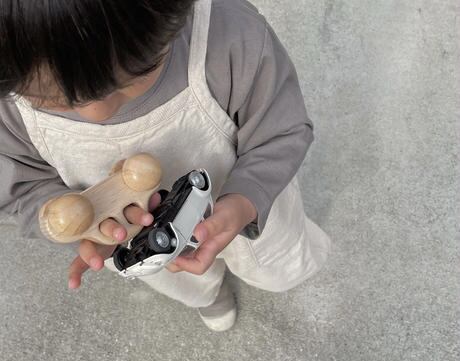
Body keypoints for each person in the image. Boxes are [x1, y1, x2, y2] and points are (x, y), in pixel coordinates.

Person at [0, 0, 331, 331]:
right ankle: (208, 295)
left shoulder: (227, 38)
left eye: (132, 75)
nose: (97, 112)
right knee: (183, 278)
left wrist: (246, 200)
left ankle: (254, 273)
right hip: (137, 237)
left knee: (269, 262)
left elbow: (280, 129)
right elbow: (21, 186)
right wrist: (76, 223)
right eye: (53, 99)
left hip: (244, 204)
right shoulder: (9, 106)